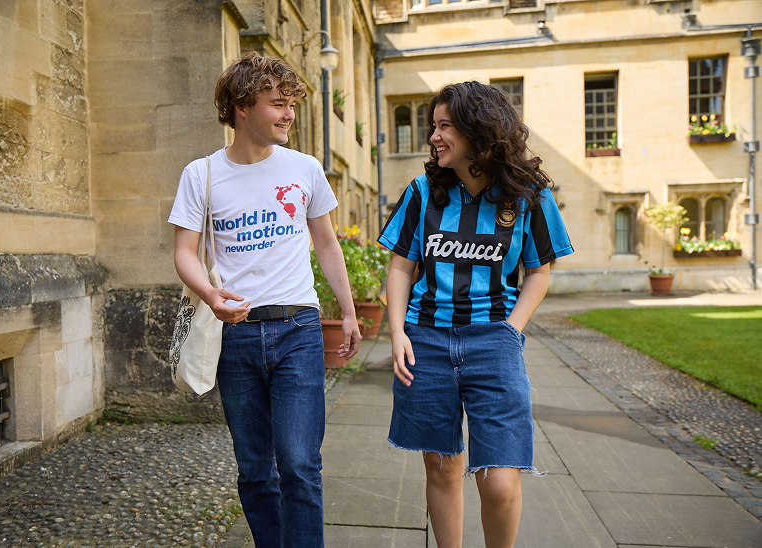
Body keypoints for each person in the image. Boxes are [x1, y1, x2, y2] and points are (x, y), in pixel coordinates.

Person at [168, 51, 361, 548]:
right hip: (237, 333)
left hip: (298, 328)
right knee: (255, 468)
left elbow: (326, 242)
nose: (290, 115)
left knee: (299, 463)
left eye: (291, 104)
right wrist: (211, 295)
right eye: (278, 104)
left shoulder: (305, 168)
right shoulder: (201, 174)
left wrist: (349, 310)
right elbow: (184, 252)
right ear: (240, 106)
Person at [379, 81, 574, 548]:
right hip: (425, 341)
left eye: (445, 126)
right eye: (434, 126)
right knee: (442, 468)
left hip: (495, 343)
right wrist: (397, 333)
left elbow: (538, 273)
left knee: (500, 482)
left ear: (478, 129)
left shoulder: (529, 195)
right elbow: (401, 266)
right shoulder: (422, 192)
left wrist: (511, 331)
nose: (434, 137)